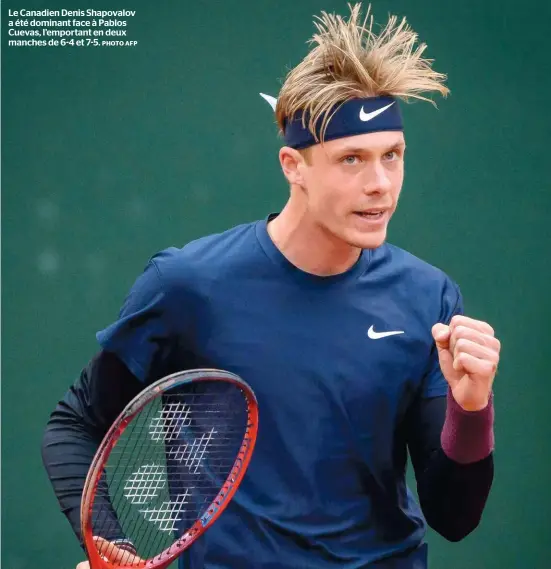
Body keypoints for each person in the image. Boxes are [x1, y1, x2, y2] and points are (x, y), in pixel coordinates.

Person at [42, 4, 500, 568]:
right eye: (351, 159)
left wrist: (471, 408)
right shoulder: (189, 285)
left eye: (393, 156)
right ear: (293, 165)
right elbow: (74, 426)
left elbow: (454, 518)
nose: (380, 184)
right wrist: (116, 550)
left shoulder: (429, 298)